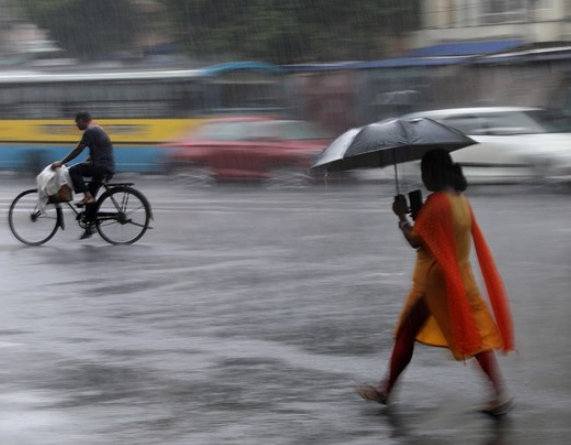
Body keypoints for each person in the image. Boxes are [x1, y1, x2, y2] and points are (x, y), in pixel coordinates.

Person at [356, 149, 515, 416]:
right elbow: (441, 234)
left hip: (436, 281)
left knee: (407, 332)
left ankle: (385, 390)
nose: (423, 178)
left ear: (431, 172)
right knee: (474, 335)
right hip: (462, 275)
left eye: (424, 173)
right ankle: (498, 392)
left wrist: (402, 217)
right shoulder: (460, 200)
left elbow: (416, 240)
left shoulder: (436, 203)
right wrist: (421, 215)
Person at [51, 111, 115, 239]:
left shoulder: (90, 131)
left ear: (82, 120)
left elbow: (78, 149)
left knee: (73, 171)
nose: (76, 126)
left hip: (101, 166)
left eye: (77, 123)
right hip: (106, 167)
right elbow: (96, 151)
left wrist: (61, 163)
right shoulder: (96, 128)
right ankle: (90, 227)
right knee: (91, 195)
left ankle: (87, 196)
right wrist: (85, 163)